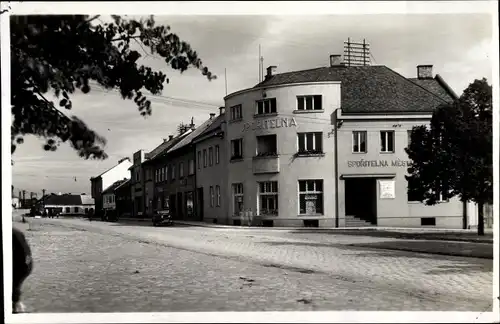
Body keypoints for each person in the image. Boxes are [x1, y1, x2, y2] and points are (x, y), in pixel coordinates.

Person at [12, 227, 33, 313]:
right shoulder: (15, 232)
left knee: (13, 287)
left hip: (22, 264)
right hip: (24, 263)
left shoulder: (13, 233)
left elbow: (25, 254)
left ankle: (17, 307)